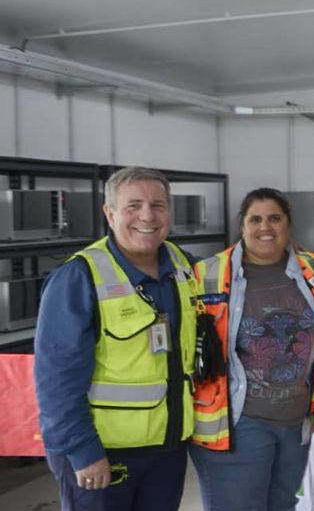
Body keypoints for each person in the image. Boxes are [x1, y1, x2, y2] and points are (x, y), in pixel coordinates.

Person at [35, 166, 199, 511]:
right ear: (109, 213)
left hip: (166, 449)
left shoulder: (185, 267)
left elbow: (248, 268)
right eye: (133, 205)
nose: (147, 216)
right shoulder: (79, 277)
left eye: (158, 205)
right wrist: (83, 452)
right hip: (102, 453)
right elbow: (56, 382)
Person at [189, 188, 314, 511]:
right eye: (256, 219)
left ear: (288, 224)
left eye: (274, 218)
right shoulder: (206, 274)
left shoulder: (313, 270)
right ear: (243, 225)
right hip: (238, 422)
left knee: (283, 505)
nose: (266, 226)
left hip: (295, 424)